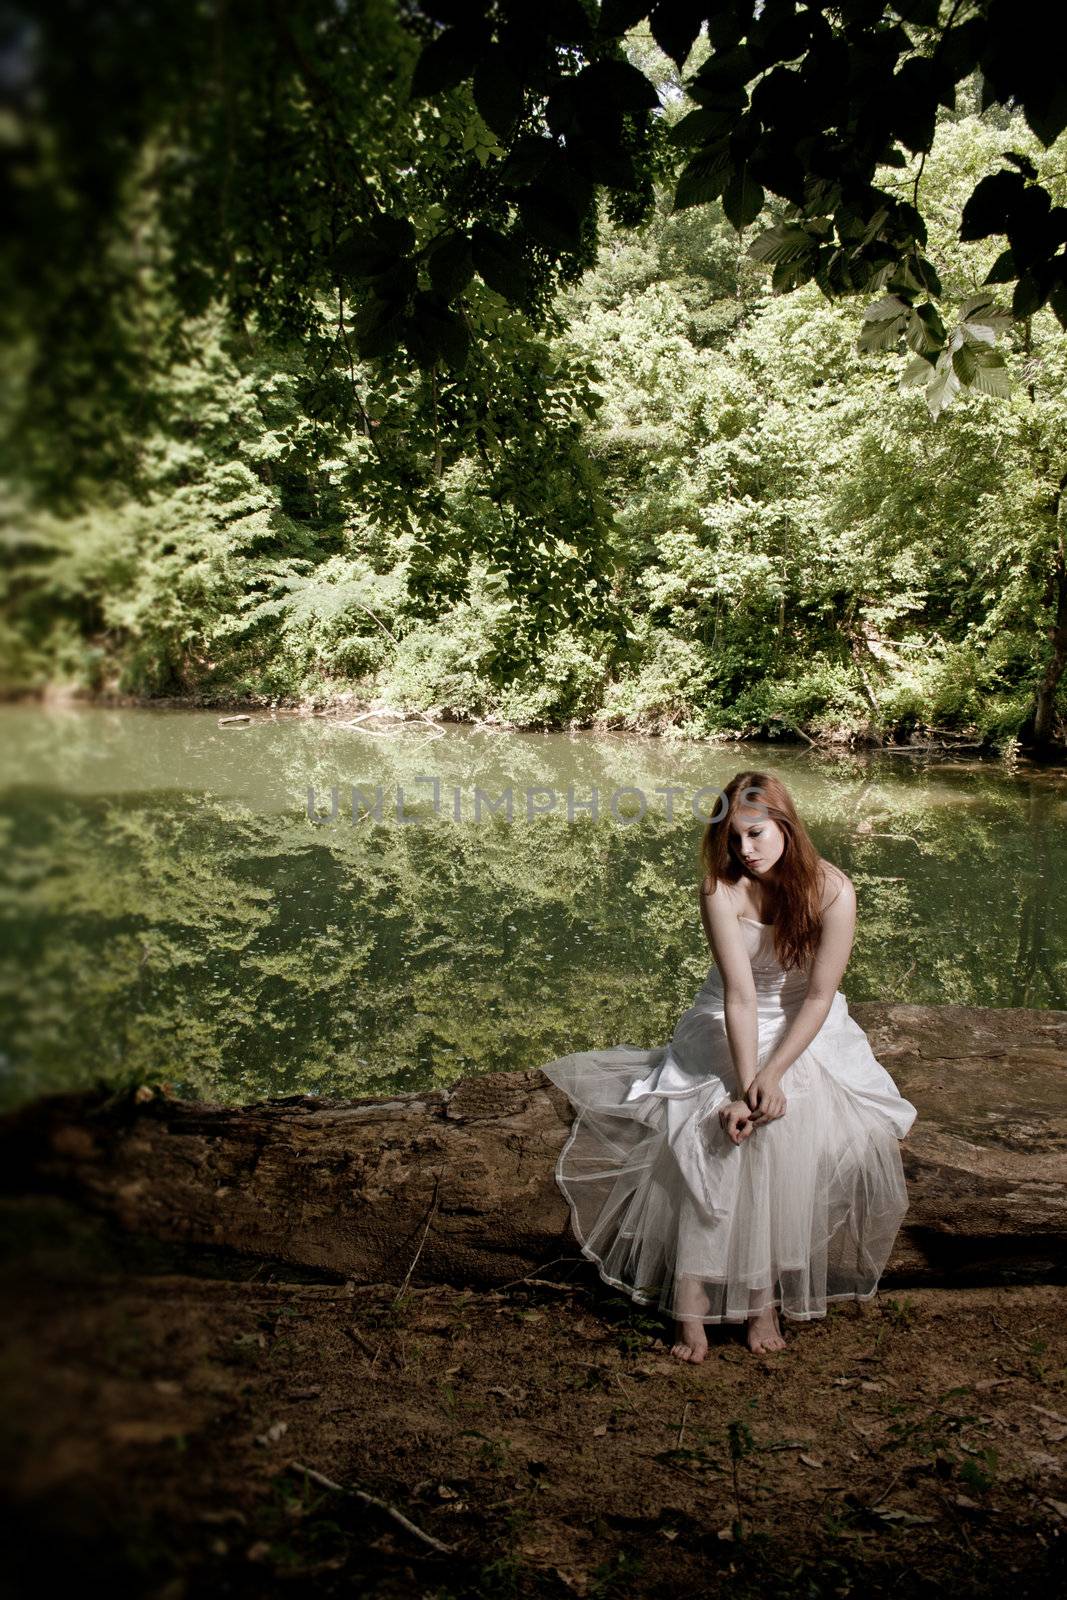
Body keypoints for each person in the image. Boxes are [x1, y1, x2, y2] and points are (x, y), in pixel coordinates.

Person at [539, 770, 917, 1361]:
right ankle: (692, 1294)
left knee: (790, 1125)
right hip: (727, 1021)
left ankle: (760, 1294)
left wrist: (773, 1079)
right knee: (714, 1126)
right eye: (733, 839)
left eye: (757, 834)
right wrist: (747, 1086)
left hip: (805, 1027)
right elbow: (738, 997)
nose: (746, 851)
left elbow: (817, 997)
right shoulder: (721, 889)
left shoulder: (834, 891)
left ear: (787, 826)